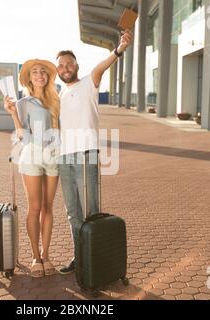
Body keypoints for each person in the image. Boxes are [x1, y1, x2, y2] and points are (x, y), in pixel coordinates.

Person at [56, 30, 134, 274]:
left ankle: (96, 259)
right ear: (57, 70)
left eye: (69, 63)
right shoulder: (59, 93)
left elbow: (102, 66)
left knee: (91, 210)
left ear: (76, 65)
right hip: (64, 158)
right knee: (72, 213)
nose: (66, 67)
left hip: (85, 155)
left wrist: (119, 49)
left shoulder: (89, 82)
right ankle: (81, 257)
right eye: (61, 65)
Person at [4, 59, 60, 278]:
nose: (39, 75)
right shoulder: (23, 102)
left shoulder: (55, 101)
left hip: (53, 157)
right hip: (32, 156)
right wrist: (13, 114)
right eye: (35, 72)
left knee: (48, 207)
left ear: (47, 77)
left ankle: (46, 255)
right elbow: (23, 136)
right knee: (34, 207)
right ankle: (35, 256)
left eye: (43, 72)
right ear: (29, 78)